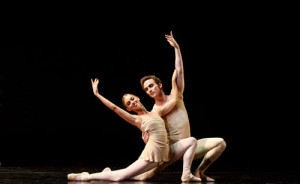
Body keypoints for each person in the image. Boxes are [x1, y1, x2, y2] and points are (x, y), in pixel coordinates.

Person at [67, 70, 201, 182]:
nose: (132, 103)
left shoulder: (156, 111)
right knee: (121, 177)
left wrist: (177, 53)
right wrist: (97, 94)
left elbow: (177, 97)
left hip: (165, 152)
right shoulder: (136, 119)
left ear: (137, 97)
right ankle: (84, 177)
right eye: (129, 104)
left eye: (132, 99)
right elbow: (114, 108)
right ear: (129, 109)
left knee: (191, 141)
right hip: (152, 154)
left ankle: (186, 173)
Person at [134, 31, 227, 182]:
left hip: (190, 145)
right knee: (143, 177)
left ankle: (198, 173)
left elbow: (180, 71)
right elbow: (149, 129)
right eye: (146, 89)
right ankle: (108, 174)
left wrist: (176, 49)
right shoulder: (155, 111)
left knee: (220, 143)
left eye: (151, 86)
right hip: (172, 150)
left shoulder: (177, 96)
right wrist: (146, 139)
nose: (149, 90)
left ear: (160, 85)